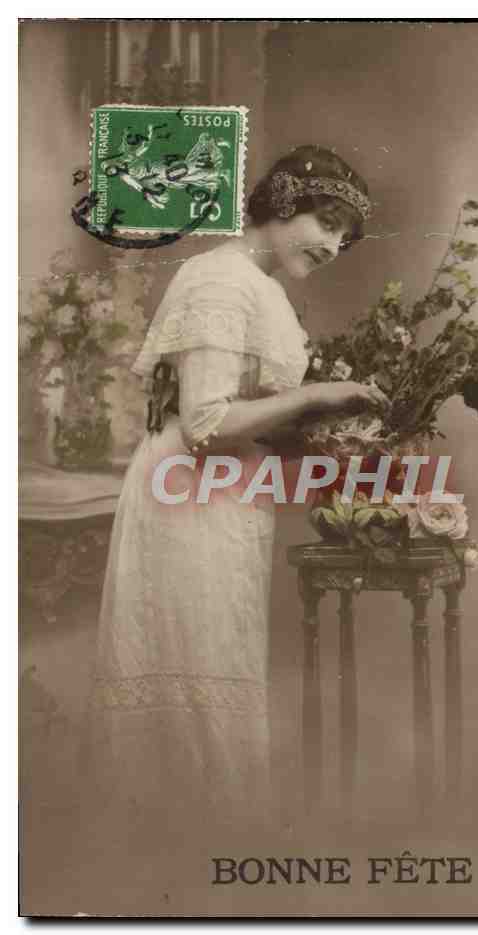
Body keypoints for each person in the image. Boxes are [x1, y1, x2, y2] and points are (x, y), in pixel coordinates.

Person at [81, 145, 388, 848]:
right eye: (326, 222)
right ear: (282, 204)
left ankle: (203, 851)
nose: (333, 245)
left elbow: (246, 417)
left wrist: (330, 438)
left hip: (221, 492)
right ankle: (182, 853)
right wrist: (317, 396)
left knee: (215, 660)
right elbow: (206, 423)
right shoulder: (220, 279)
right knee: (192, 664)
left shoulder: (259, 284)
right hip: (187, 490)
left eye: (344, 235)